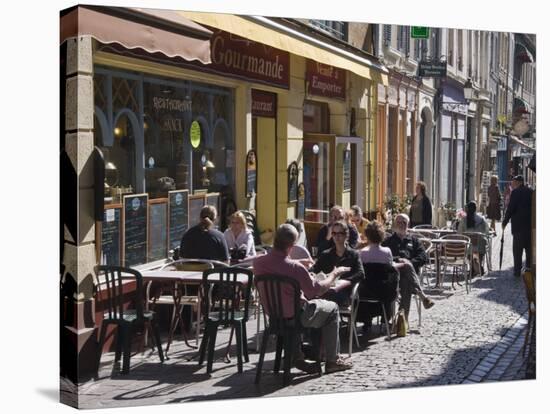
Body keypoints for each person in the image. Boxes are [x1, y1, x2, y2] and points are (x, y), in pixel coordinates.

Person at [254, 224, 353, 374]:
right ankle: (332, 360)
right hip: (298, 316)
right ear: (293, 245)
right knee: (332, 308)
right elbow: (315, 290)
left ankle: (298, 358)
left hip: (274, 316)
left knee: (290, 308)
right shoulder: (295, 268)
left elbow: (278, 265)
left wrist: (299, 265)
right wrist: (334, 273)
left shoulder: (259, 262)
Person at [382, 214, 435, 321]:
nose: (401, 225)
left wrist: (409, 263)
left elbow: (423, 257)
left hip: (409, 277)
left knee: (406, 282)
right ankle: (421, 297)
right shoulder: (388, 241)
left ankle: (402, 320)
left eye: (404, 223)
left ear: (408, 225)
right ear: (394, 224)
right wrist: (398, 261)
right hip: (393, 276)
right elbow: (383, 257)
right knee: (406, 277)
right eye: (399, 222)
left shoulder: (414, 241)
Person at [310, 220, 365, 306]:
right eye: (334, 233)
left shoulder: (353, 254)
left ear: (346, 235)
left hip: (344, 292)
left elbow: (360, 273)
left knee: (328, 297)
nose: (336, 236)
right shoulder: (326, 254)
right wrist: (311, 274)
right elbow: (314, 269)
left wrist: (346, 281)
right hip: (327, 289)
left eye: (340, 233)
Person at [502, 175, 534, 278]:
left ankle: (517, 271)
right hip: (530, 226)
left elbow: (511, 208)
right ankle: (529, 269)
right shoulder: (531, 192)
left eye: (514, 182)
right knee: (529, 250)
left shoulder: (515, 192)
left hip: (518, 227)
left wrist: (505, 222)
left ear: (519, 182)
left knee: (517, 251)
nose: (513, 184)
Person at [458, 201, 490, 275]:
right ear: (476, 209)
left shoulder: (464, 220)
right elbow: (486, 232)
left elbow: (460, 233)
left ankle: (472, 266)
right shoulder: (482, 219)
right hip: (479, 245)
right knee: (480, 245)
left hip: (468, 246)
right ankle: (478, 264)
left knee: (470, 246)